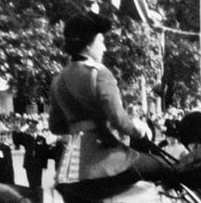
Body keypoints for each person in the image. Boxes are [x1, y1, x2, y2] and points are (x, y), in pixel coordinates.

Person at [48, 12, 167, 186]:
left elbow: (55, 127)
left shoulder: (57, 80)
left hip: (69, 168)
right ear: (89, 46)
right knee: (164, 167)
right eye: (101, 42)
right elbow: (118, 119)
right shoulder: (99, 73)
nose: (104, 48)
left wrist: (79, 125)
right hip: (104, 162)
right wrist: (140, 130)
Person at [12, 118, 54, 188]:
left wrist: (44, 165)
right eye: (30, 127)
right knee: (31, 183)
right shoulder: (26, 137)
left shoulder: (41, 139)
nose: (32, 129)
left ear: (36, 128)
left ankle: (38, 196)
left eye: (33, 127)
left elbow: (45, 151)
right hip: (29, 163)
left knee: (38, 183)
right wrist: (18, 130)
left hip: (38, 164)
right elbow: (16, 140)